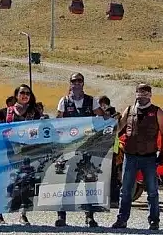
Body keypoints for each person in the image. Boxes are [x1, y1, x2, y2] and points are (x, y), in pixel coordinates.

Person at [112, 83, 163, 231]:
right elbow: (118, 128)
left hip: (149, 157)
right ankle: (122, 220)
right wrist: (111, 126)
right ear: (136, 93)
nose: (143, 95)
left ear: (150, 94)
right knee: (125, 190)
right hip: (130, 156)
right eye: (140, 92)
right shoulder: (129, 110)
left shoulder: (157, 111)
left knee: (153, 191)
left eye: (146, 92)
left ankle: (154, 221)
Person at [54, 73, 104, 227]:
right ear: (70, 83)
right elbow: (58, 122)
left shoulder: (92, 101)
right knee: (69, 183)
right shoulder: (64, 101)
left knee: (90, 182)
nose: (76, 84)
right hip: (70, 148)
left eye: (79, 81)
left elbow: (102, 118)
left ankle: (89, 216)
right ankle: (62, 216)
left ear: (83, 83)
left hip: (88, 148)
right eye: (73, 81)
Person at [0, 84, 40, 225]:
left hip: (27, 154)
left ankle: (23, 214)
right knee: (5, 183)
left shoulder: (35, 112)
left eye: (28, 93)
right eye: (22, 93)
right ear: (16, 95)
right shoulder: (6, 112)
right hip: (8, 154)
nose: (25, 95)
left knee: (25, 184)